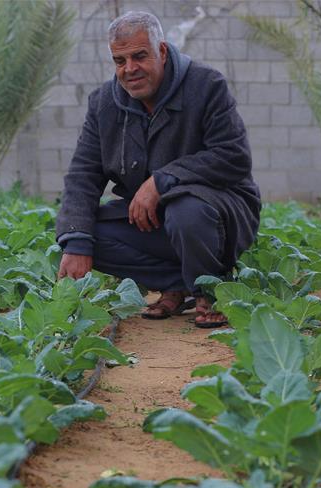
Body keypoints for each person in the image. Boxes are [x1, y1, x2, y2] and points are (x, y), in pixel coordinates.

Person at [55, 11, 261, 328]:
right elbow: (83, 175)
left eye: (139, 56)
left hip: (220, 217)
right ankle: (180, 282)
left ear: (162, 51)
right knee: (82, 235)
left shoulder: (206, 86)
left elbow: (233, 157)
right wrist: (76, 241)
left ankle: (209, 290)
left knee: (185, 210)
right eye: (119, 61)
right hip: (154, 223)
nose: (129, 69)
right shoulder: (103, 104)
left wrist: (161, 181)